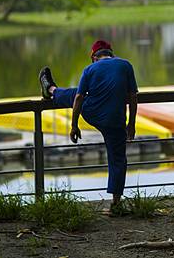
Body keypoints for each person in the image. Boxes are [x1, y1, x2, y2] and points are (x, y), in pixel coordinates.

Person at [39, 39, 138, 212]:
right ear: (112, 54)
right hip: (117, 120)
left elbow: (79, 99)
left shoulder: (89, 69)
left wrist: (74, 125)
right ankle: (115, 204)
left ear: (93, 57)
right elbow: (133, 97)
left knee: (73, 93)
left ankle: (51, 90)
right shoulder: (126, 65)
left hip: (94, 113)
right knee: (118, 159)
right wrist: (132, 124)